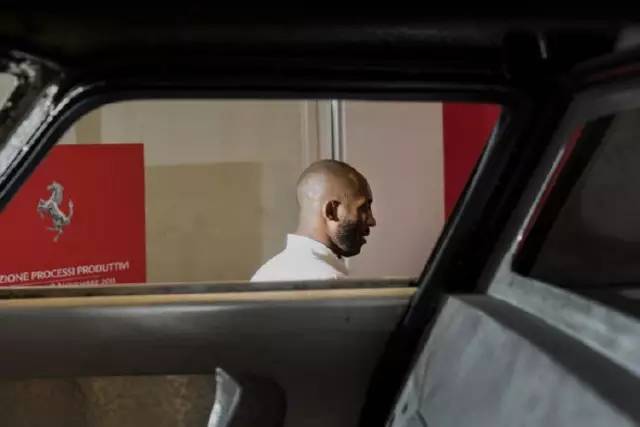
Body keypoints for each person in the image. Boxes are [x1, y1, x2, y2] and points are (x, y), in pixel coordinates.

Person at [251, 159, 376, 282]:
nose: (372, 221)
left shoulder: (264, 273)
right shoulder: (331, 281)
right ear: (331, 211)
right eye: (363, 209)